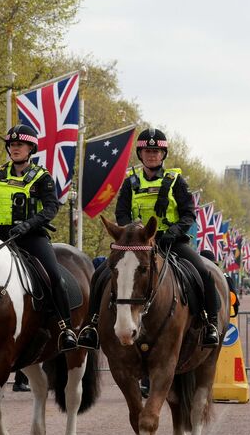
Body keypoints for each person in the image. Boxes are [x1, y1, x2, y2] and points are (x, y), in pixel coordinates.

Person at [77, 127, 221, 350]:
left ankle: (210, 322)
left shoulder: (176, 181)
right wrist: (133, 232)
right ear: (140, 154)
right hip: (137, 244)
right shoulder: (130, 182)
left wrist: (173, 232)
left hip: (170, 242)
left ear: (163, 154)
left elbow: (188, 214)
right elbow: (122, 212)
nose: (152, 155)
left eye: (156, 151)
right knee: (100, 275)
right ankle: (92, 325)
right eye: (147, 151)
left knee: (203, 273)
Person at [0, 123, 77, 351]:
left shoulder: (42, 177)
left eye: (20, 144)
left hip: (31, 237)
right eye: (12, 144)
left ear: (30, 148)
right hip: (0, 238)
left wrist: (28, 225)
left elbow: (51, 207)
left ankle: (66, 328)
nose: (15, 148)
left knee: (53, 276)